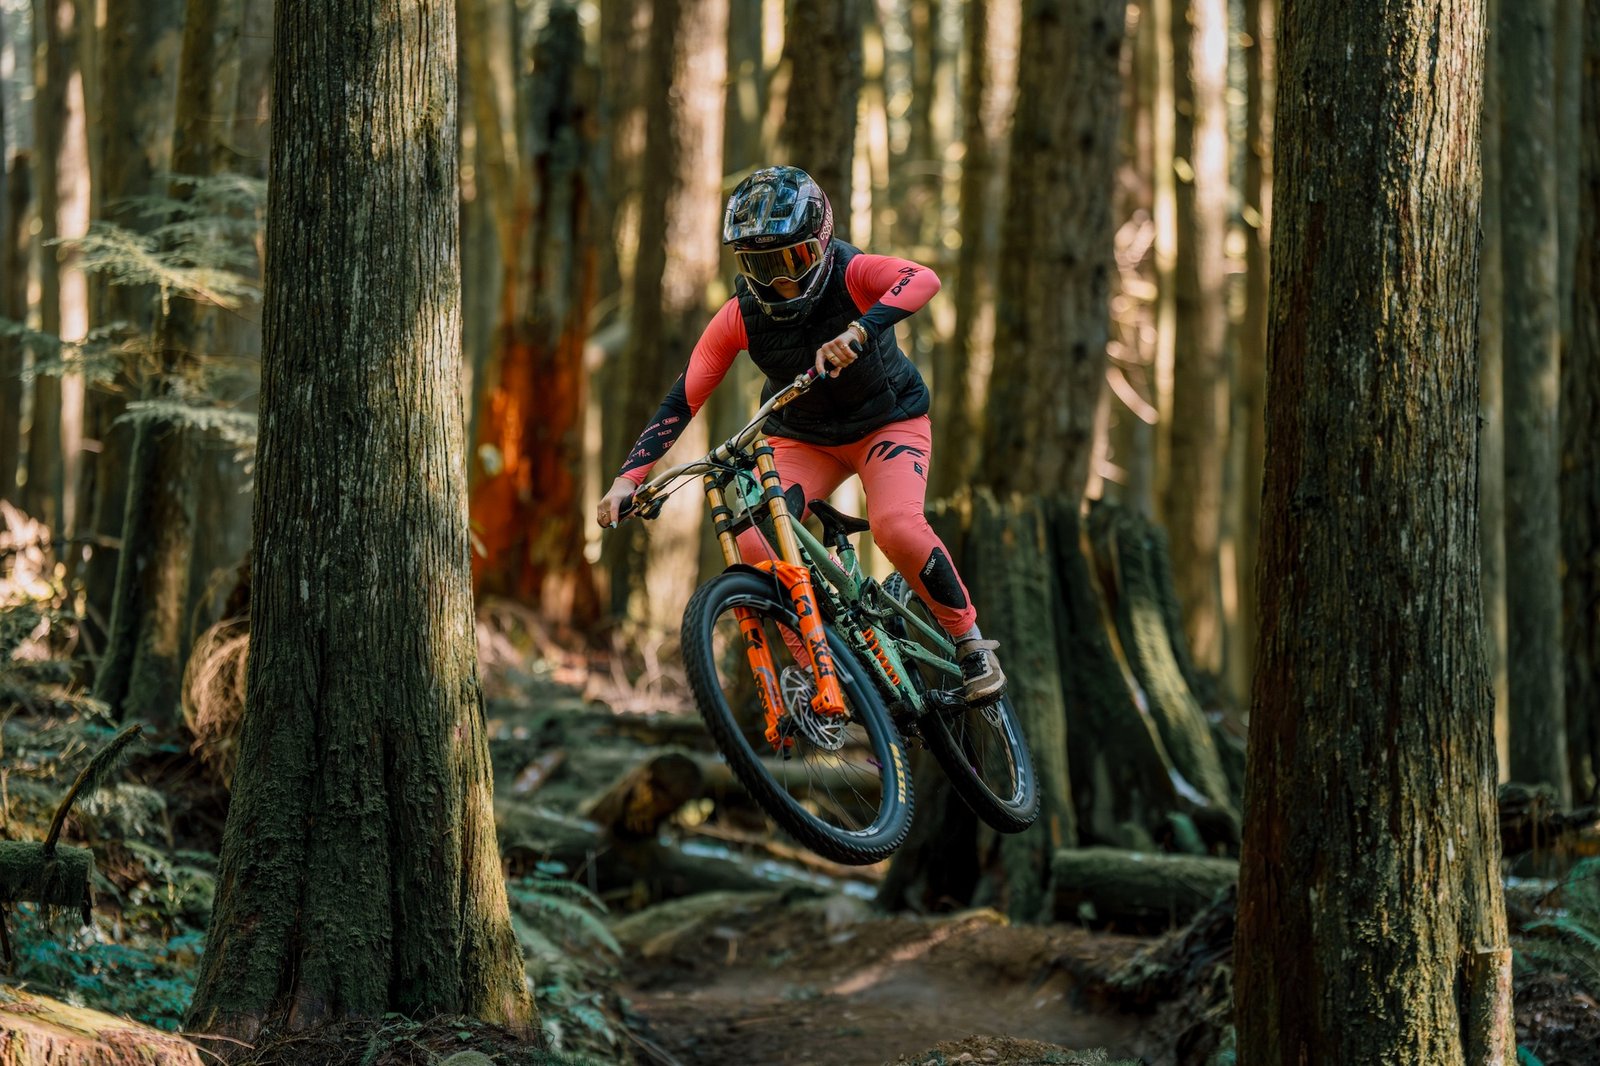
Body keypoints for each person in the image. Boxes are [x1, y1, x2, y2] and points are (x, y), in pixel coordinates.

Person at [595, 165, 1004, 705]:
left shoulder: (851, 271)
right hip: (804, 436)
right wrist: (628, 479)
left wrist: (861, 327)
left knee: (896, 527)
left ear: (821, 243)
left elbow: (922, 278)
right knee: (752, 540)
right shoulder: (740, 315)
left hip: (888, 421)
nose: (779, 280)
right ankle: (823, 672)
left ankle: (970, 643)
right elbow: (683, 398)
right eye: (760, 266)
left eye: (792, 260)